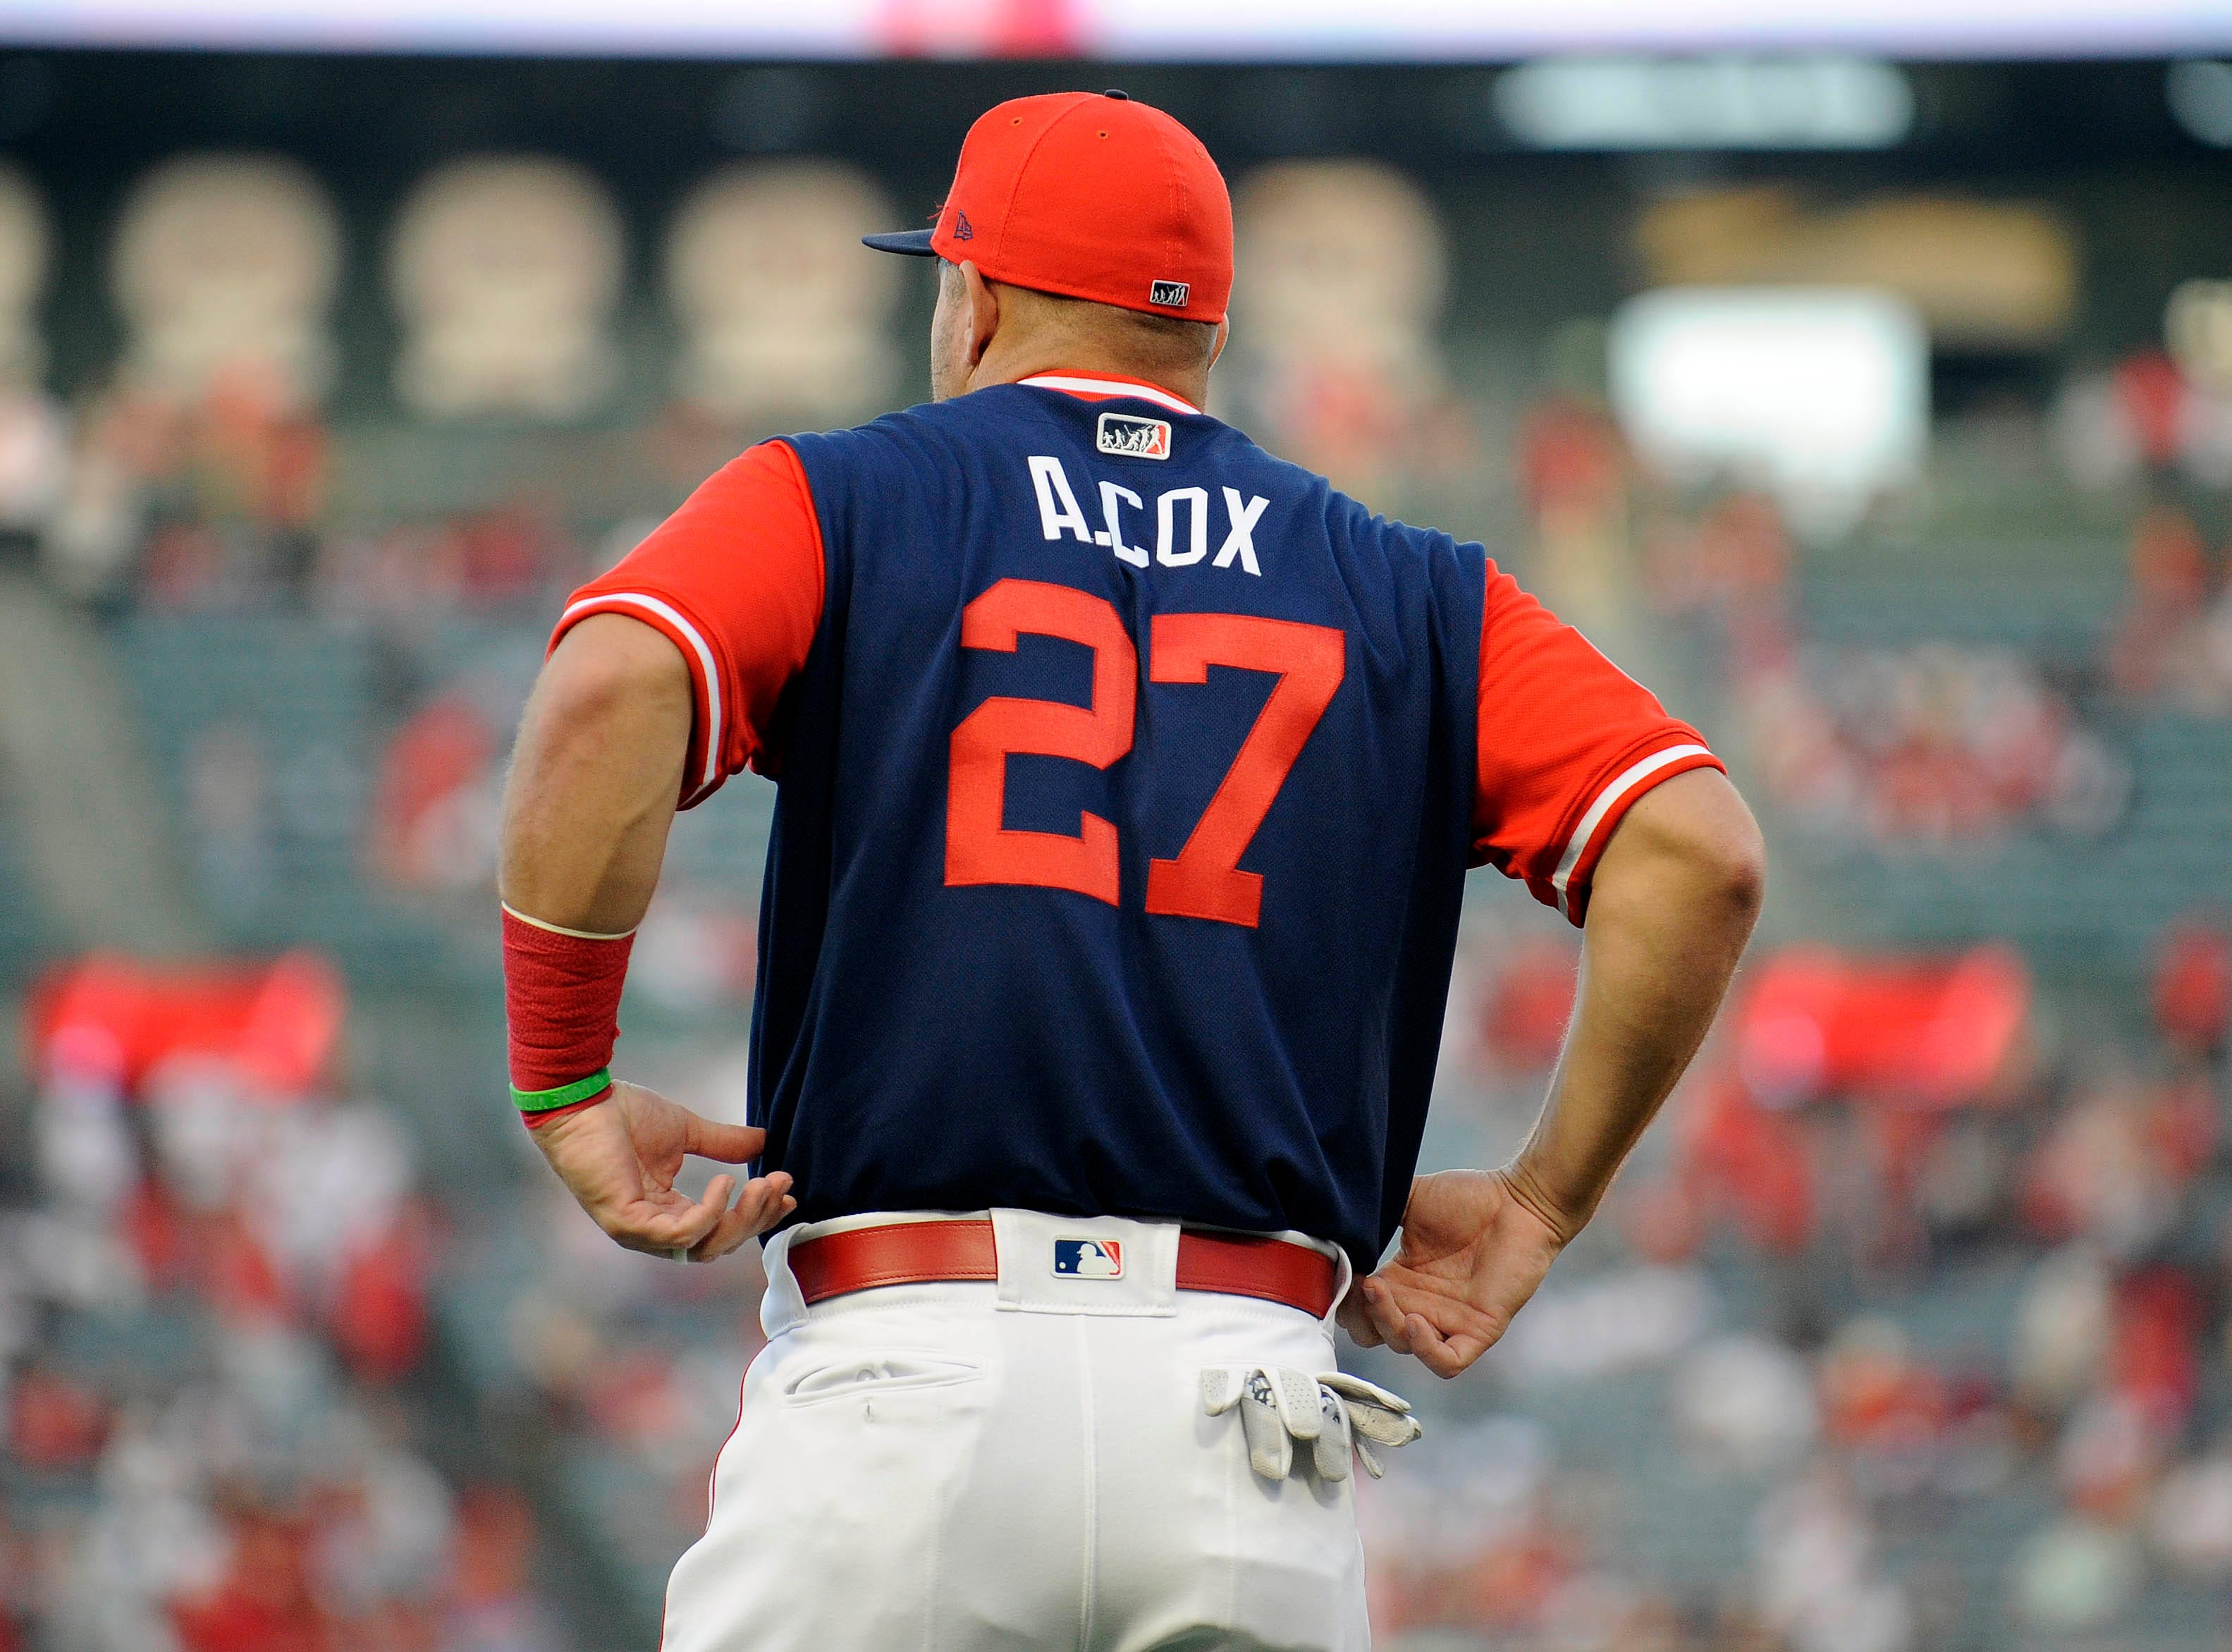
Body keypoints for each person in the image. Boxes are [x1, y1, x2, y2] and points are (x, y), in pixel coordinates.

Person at [496, 90, 1764, 1652]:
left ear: (975, 295)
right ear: (1202, 337)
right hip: (1248, 1416)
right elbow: (1695, 847)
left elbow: (615, 678)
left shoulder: (842, 494)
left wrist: (564, 1076)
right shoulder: (1408, 583)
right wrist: (1537, 1203)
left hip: (905, 1375)